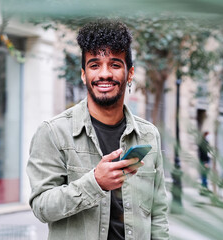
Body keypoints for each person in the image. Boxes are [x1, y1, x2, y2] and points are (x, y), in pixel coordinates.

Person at [26, 19, 169, 240]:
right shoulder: (53, 132)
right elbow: (42, 207)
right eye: (94, 65)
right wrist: (94, 183)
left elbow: (158, 214)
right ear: (84, 74)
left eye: (114, 64)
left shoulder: (148, 135)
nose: (104, 74)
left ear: (129, 74)